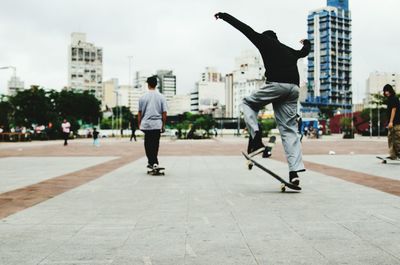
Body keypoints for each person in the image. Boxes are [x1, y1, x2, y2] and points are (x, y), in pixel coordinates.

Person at [215, 12, 311, 186]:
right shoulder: (288, 49)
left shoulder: (264, 41)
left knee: (247, 103)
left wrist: (224, 16)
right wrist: (306, 42)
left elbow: (244, 28)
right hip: (293, 90)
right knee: (289, 130)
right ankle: (294, 173)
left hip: (277, 85)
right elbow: (304, 52)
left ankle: (257, 138)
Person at [138, 76, 167, 170]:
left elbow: (140, 112)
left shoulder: (143, 97)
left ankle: (152, 162)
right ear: (156, 84)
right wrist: (163, 125)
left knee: (148, 144)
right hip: (157, 124)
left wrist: (139, 124)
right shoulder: (161, 97)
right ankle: (154, 162)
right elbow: (164, 113)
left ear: (148, 84)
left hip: (146, 124)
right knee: (155, 144)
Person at [383, 84, 400, 160]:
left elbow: (394, 110)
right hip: (392, 123)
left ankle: (398, 154)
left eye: (387, 90)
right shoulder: (389, 99)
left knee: (397, 139)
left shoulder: (394, 98)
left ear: (390, 90)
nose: (386, 92)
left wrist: (391, 122)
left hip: (396, 123)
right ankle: (393, 155)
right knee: (390, 138)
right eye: (385, 91)